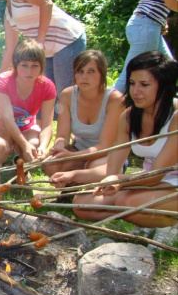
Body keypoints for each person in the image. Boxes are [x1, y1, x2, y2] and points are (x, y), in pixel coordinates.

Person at [73, 51, 178, 229]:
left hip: (167, 182)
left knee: (126, 201)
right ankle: (142, 215)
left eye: (144, 84)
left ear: (164, 86)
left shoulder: (176, 116)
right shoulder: (129, 116)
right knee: (82, 204)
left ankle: (169, 225)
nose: (135, 91)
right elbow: (112, 169)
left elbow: (157, 174)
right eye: (132, 83)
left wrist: (119, 181)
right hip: (148, 181)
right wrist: (79, 177)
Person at [44, 50, 124, 186]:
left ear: (102, 74)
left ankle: (89, 187)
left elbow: (105, 146)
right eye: (80, 71)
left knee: (92, 167)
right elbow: (63, 135)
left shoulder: (114, 99)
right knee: (51, 165)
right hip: (79, 149)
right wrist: (57, 147)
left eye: (91, 71)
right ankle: (70, 188)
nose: (84, 77)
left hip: (107, 154)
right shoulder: (67, 95)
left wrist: (71, 156)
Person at [0, 39, 56, 170]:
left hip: (26, 127)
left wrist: (43, 146)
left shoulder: (47, 86)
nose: (29, 71)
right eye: (24, 65)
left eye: (35, 66)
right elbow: (7, 119)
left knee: (34, 146)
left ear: (42, 66)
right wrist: (24, 144)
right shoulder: (2, 82)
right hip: (1, 126)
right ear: (16, 65)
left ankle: (18, 165)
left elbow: (47, 124)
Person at [113, 0, 178, 94]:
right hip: (146, 27)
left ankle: (164, 111)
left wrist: (161, 20)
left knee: (169, 69)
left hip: (146, 25)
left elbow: (154, 0)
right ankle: (105, 114)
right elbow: (171, 3)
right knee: (126, 79)